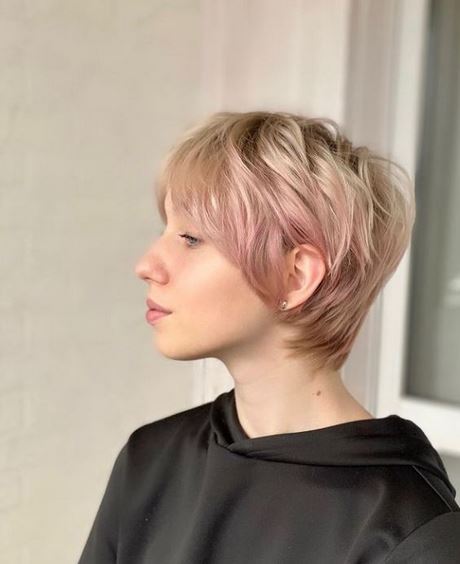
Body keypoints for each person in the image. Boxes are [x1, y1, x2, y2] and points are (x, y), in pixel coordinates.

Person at [77, 111, 460, 563]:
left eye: (191, 238)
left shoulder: (412, 533)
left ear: (295, 275)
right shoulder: (150, 460)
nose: (146, 265)